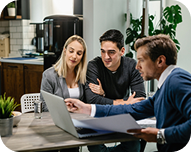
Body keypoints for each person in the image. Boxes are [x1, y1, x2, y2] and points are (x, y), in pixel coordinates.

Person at [65, 34, 191, 152]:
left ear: (160, 61)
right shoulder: (166, 86)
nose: (137, 66)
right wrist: (87, 108)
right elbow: (131, 110)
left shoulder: (176, 80)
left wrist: (160, 135)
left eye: (141, 60)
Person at [84, 29, 146, 152]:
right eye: (103, 51)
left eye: (111, 52)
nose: (106, 57)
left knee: (134, 147)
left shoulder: (132, 66)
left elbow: (140, 99)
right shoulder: (94, 66)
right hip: (100, 117)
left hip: (123, 116)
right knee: (94, 146)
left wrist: (104, 96)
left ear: (122, 51)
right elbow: (92, 100)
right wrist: (124, 103)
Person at [40, 35, 87, 152]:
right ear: (65, 51)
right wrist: (64, 108)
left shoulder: (83, 77)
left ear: (82, 56)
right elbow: (44, 106)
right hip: (55, 127)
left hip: (77, 126)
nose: (74, 56)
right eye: (71, 51)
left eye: (79, 53)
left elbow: (88, 102)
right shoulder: (49, 75)